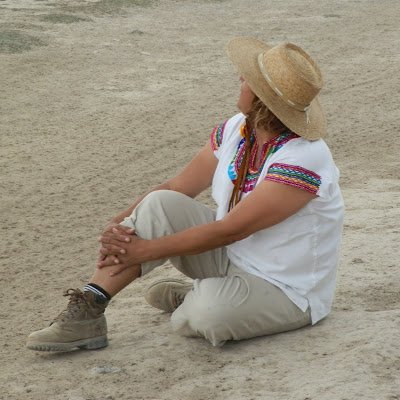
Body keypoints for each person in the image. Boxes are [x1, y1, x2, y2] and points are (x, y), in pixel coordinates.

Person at [27, 37, 344, 351]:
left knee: (202, 318)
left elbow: (231, 230)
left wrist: (144, 250)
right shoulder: (238, 128)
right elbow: (177, 187)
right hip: (233, 259)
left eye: (249, 79)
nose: (240, 78)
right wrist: (119, 224)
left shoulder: (304, 158)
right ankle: (90, 308)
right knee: (159, 205)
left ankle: (200, 296)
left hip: (286, 289)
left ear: (263, 98)